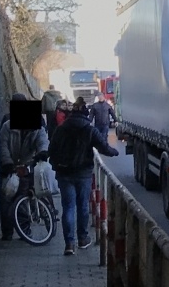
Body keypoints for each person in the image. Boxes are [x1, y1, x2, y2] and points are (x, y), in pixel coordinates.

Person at [47, 97, 119, 256]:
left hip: (64, 174)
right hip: (83, 174)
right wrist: (115, 152)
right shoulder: (89, 129)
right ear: (86, 114)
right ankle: (83, 238)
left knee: (68, 207)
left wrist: (55, 163)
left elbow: (51, 149)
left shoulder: (61, 129)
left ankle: (69, 244)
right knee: (83, 206)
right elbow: (104, 147)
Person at [0, 93, 50, 241]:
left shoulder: (36, 125)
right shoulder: (8, 126)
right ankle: (11, 231)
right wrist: (7, 163)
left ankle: (24, 230)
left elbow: (42, 140)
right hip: (11, 166)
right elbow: (3, 145)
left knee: (20, 197)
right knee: (8, 198)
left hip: (27, 164)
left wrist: (42, 153)